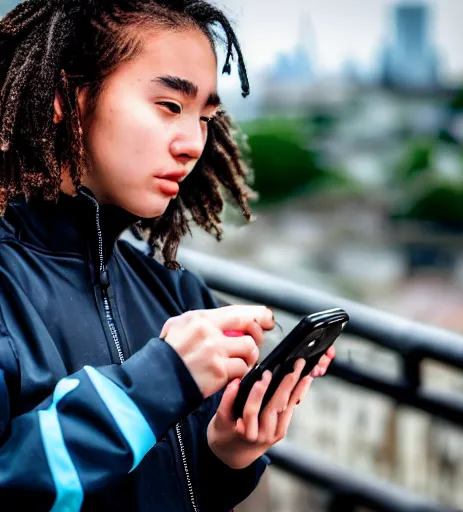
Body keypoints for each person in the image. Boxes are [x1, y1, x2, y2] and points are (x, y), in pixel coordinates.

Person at [0, 0, 335, 510]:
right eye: (170, 106)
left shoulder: (180, 295)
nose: (193, 143)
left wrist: (226, 453)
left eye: (205, 117)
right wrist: (158, 382)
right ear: (65, 95)